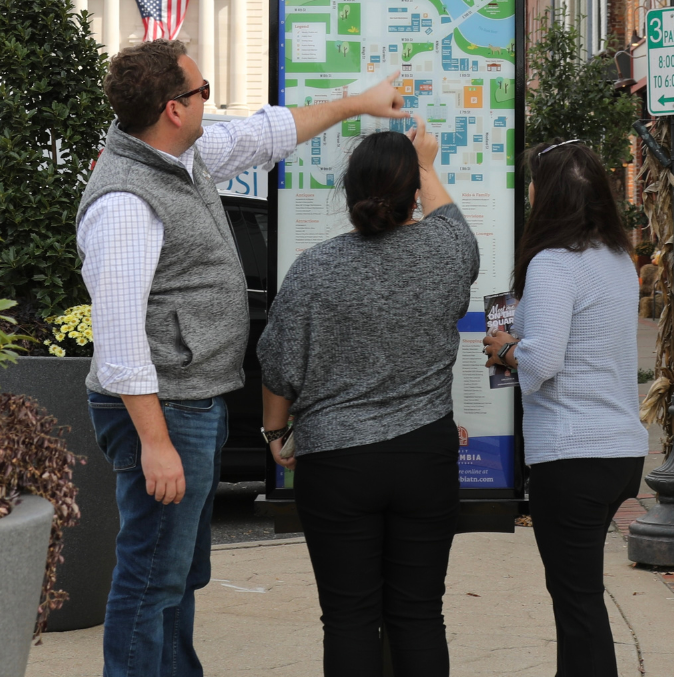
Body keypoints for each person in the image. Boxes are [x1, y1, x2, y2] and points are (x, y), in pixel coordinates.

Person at [79, 39, 408, 677]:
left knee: (175, 576)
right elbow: (118, 339)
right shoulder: (126, 201)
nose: (210, 101)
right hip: (163, 411)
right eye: (202, 92)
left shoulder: (182, 155)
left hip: (189, 403)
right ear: (174, 108)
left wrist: (359, 104)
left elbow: (265, 134)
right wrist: (155, 442)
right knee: (151, 579)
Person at [257, 123, 479, 677]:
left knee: (350, 618)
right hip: (424, 453)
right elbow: (451, 220)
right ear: (412, 195)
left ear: (349, 193)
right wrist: (425, 164)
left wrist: (276, 434)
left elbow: (279, 366)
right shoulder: (446, 252)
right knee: (420, 613)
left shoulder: (313, 269)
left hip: (336, 462)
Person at [480, 140, 647, 677]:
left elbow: (544, 360)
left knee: (577, 604)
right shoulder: (620, 261)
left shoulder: (554, 264)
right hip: (619, 450)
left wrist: (503, 347)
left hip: (572, 454)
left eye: (533, 184)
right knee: (578, 598)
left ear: (545, 195)